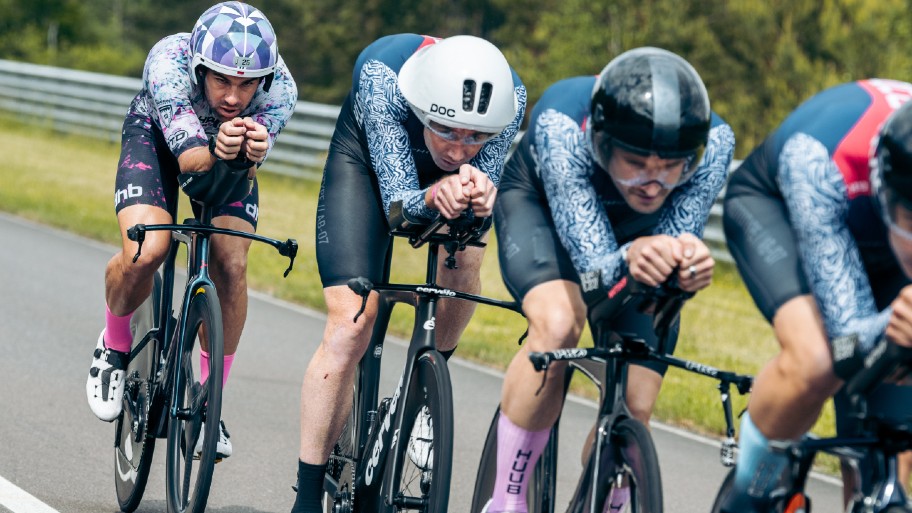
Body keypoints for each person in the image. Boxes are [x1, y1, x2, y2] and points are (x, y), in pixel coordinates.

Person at [482, 47, 735, 513]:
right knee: (559, 325)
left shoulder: (716, 142)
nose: (653, 182)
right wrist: (637, 256)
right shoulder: (564, 126)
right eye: (636, 162)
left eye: (670, 165)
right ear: (602, 143)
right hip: (545, 216)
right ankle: (506, 498)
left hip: (635, 238)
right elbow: (597, 273)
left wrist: (688, 264)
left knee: (636, 403)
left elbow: (677, 238)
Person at [290, 33, 526, 512]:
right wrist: (438, 196)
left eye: (475, 136)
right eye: (447, 130)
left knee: (461, 274)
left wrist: (481, 202)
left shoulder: (510, 97)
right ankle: (308, 494)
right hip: (367, 165)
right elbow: (400, 210)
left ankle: (421, 396)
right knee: (351, 323)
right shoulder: (384, 80)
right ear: (423, 109)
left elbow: (480, 201)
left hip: (436, 186)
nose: (460, 150)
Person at [85, 1, 297, 461]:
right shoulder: (168, 63)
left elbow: (245, 157)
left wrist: (251, 148)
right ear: (200, 67)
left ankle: (209, 399)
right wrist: (221, 149)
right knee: (148, 250)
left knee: (232, 264)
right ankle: (114, 345)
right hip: (161, 138)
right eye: (222, 79)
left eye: (247, 85)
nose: (235, 97)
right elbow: (189, 163)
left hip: (227, 155)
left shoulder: (281, 91)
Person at [717, 79, 912, 511]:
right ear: (887, 194)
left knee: (888, 439)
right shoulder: (819, 163)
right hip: (781, 207)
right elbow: (847, 343)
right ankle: (749, 492)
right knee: (817, 363)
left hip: (878, 239)